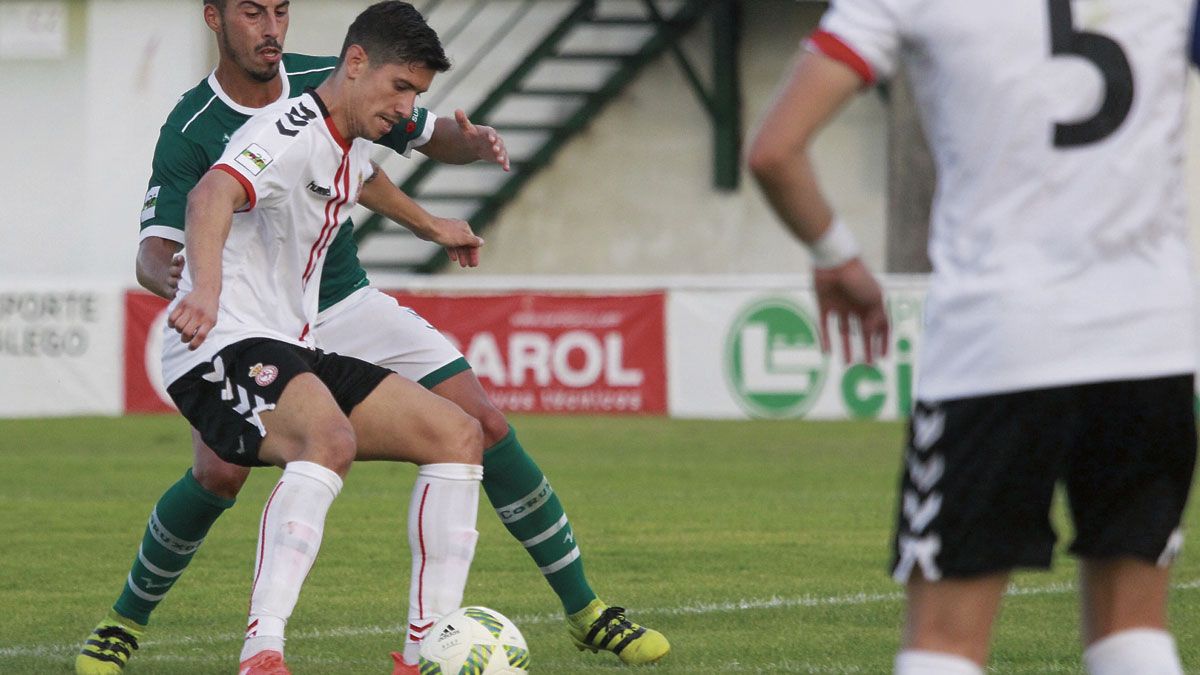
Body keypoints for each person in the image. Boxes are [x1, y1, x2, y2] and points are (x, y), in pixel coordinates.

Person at [78, 1, 667, 673]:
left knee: (474, 426)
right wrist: (197, 288)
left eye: (281, 11)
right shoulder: (202, 126)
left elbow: (388, 152)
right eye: (252, 12)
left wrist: (444, 193)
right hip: (243, 321)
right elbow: (176, 227)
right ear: (214, 17)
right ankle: (134, 621)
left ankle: (572, 614)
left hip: (339, 305)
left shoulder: (335, 88)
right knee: (222, 471)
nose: (271, 29)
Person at [748, 1, 1198, 674]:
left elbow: (775, 152)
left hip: (1000, 340)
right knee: (1132, 632)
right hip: (1150, 337)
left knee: (945, 643)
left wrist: (836, 255)